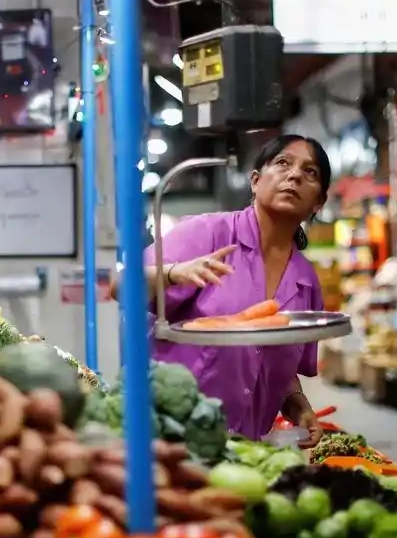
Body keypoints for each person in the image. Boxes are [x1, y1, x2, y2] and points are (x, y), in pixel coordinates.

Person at [110, 134, 329, 443]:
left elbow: (278, 365)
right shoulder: (207, 233)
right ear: (255, 181)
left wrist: (298, 405)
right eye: (282, 163)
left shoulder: (305, 282)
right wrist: (174, 273)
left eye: (310, 172)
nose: (294, 175)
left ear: (319, 201)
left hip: (244, 450)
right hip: (168, 437)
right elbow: (120, 286)